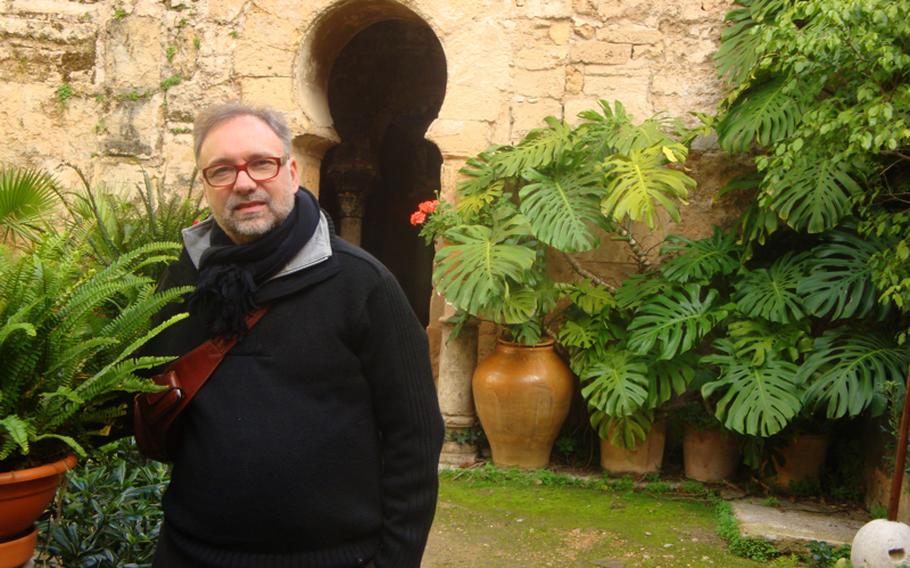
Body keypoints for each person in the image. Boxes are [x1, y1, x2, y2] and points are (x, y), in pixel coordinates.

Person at [144, 102, 445, 567]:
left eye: (260, 163)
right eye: (221, 170)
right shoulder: (184, 279)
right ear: (206, 185)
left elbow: (415, 435)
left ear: (292, 171)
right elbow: (150, 392)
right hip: (190, 553)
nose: (243, 183)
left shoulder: (361, 284)